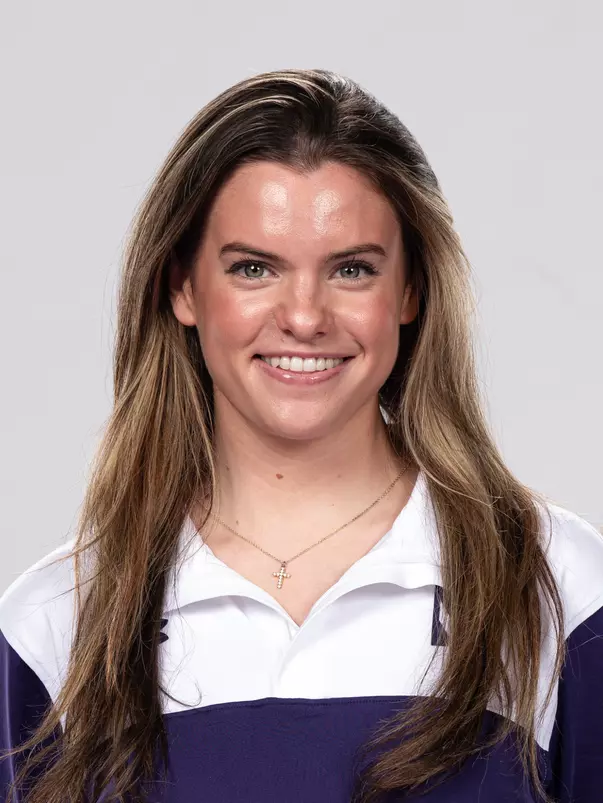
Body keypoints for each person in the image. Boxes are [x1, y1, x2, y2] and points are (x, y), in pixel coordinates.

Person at [1, 68, 602, 803]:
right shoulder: (57, 621)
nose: (305, 315)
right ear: (182, 287)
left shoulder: (559, 587)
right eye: (254, 267)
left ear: (409, 290)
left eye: (351, 269)